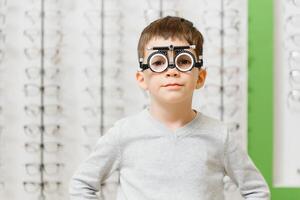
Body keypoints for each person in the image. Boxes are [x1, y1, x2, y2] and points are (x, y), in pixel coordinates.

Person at [69, 16, 270, 200]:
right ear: (142, 78)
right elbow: (82, 185)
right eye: (158, 62)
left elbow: (256, 191)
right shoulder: (123, 134)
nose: (171, 71)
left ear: (200, 77)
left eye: (183, 61)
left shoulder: (218, 135)